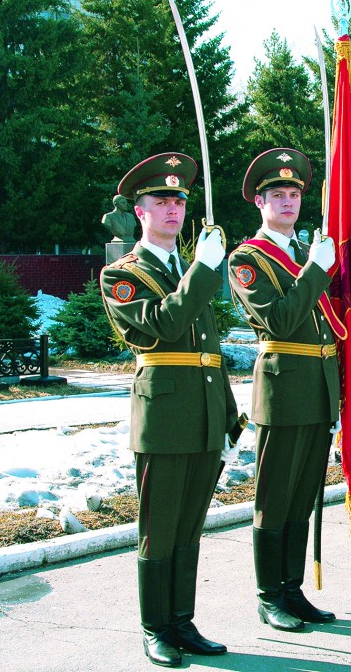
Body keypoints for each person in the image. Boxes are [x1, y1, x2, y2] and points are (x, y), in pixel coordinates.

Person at [100, 152, 236, 667]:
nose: (174, 209)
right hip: (165, 416)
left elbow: (211, 351)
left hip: (202, 411)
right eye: (162, 200)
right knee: (159, 527)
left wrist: (227, 412)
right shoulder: (122, 274)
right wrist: (202, 269)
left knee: (189, 525)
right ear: (140, 210)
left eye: (179, 200)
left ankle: (182, 620)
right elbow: (164, 326)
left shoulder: (187, 269)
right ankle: (155, 626)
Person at [227, 148, 340, 632]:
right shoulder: (247, 258)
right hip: (282, 387)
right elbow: (280, 319)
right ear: (260, 201)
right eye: (278, 194)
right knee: (275, 497)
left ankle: (292, 590)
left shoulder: (305, 252)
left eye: (294, 194)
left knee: (303, 495)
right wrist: (316, 270)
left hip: (318, 387)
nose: (288, 201)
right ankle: (269, 595)